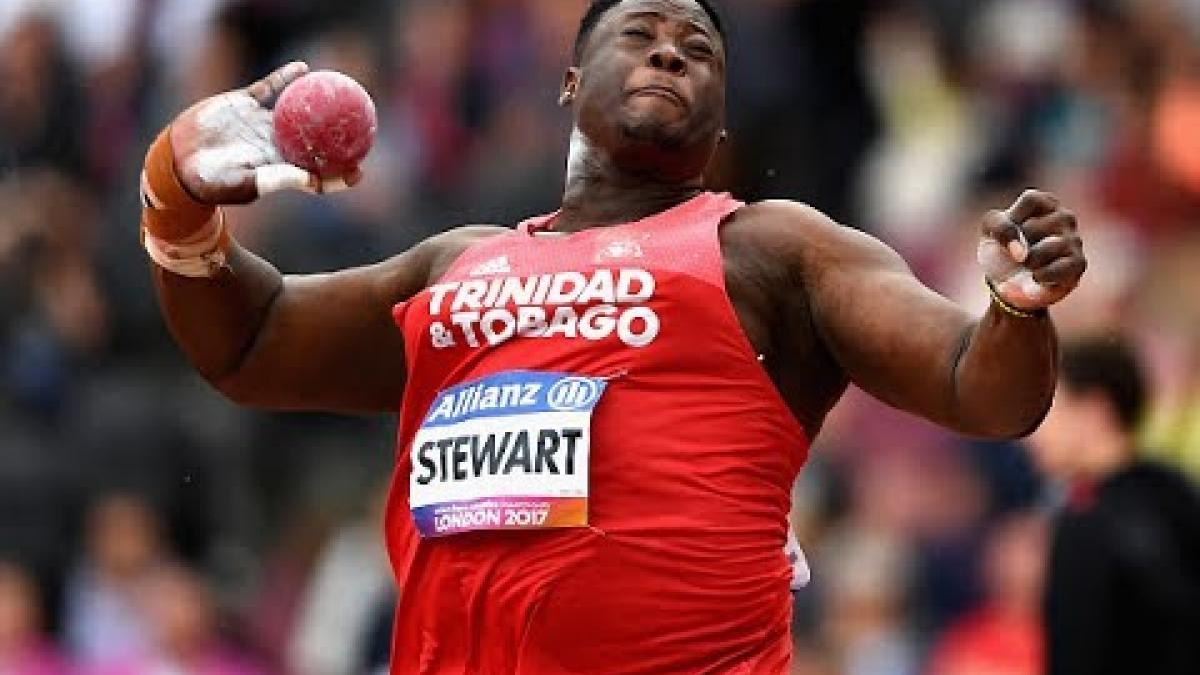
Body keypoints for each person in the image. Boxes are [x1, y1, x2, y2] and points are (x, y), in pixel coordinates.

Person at [138, 0, 1086, 671]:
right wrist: (174, 194)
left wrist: (1016, 306)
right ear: (567, 81)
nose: (671, 54)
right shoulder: (454, 265)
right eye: (640, 34)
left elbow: (980, 386)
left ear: (719, 123)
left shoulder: (772, 248)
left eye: (698, 50)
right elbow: (251, 342)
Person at [1027, 336, 1200, 675]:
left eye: (1047, 410)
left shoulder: (1085, 525)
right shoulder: (1177, 494)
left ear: (1094, 411)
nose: (1034, 432)